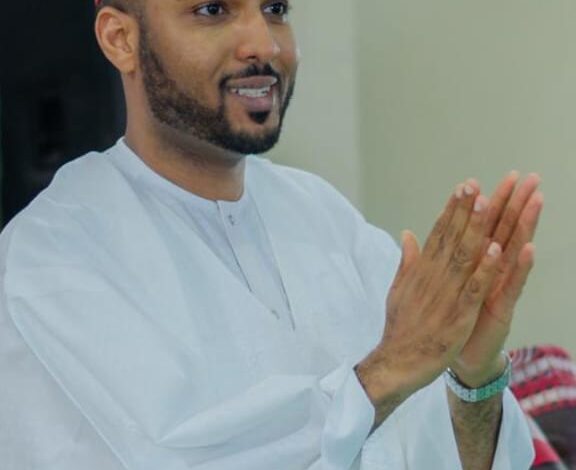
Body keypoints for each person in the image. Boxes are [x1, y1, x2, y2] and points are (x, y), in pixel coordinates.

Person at [0, 0, 543, 468]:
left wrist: (474, 378)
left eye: (276, 9)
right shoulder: (53, 257)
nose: (264, 44)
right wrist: (387, 370)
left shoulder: (325, 217)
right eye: (213, 10)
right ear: (121, 39)